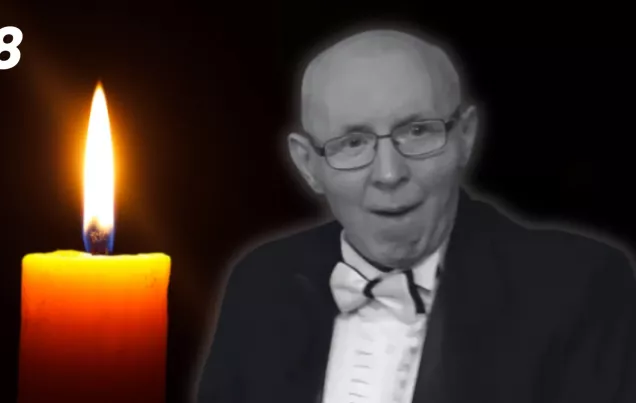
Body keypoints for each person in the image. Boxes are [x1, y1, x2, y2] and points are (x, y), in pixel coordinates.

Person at [195, 26, 636, 403]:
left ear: (465, 137)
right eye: (353, 142)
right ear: (309, 165)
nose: (389, 174)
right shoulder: (262, 281)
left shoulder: (580, 286)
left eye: (418, 131)